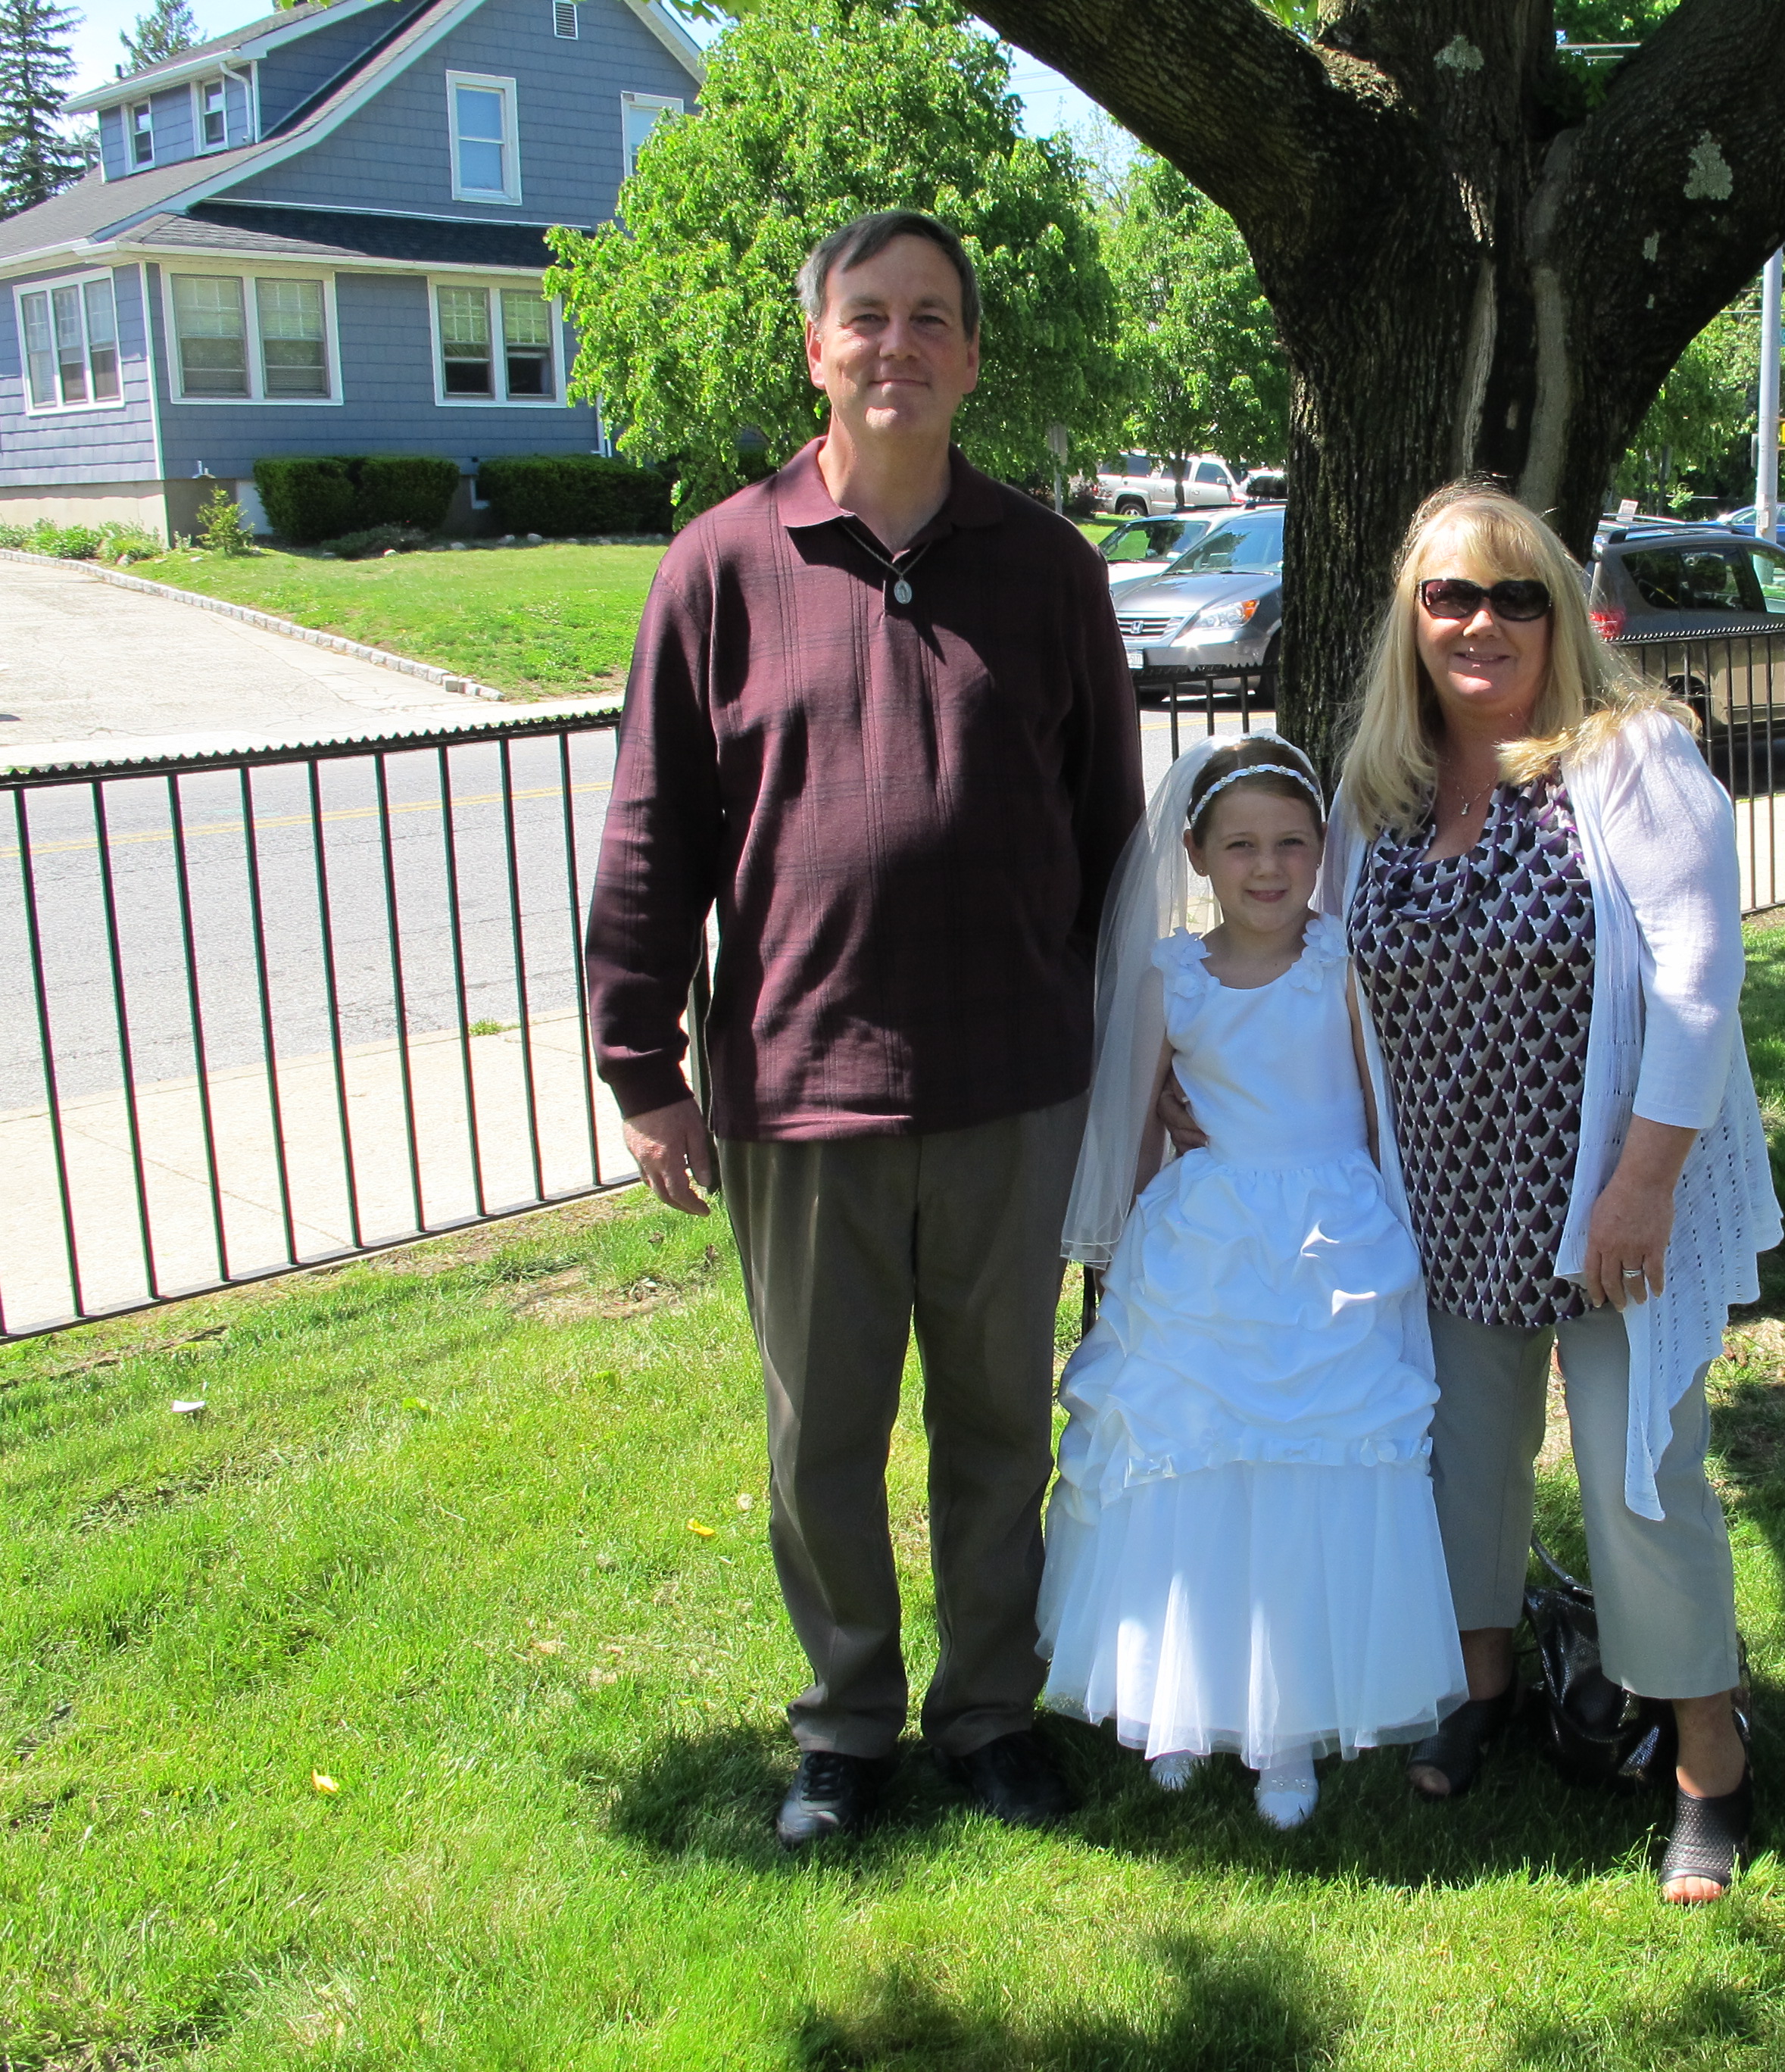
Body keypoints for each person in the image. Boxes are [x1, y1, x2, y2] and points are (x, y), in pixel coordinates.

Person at [584, 210, 1141, 1847]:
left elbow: (1111, 840)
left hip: (1011, 1088)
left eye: (931, 318)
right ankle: (844, 1724)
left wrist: (1134, 1061)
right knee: (821, 1436)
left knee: (1000, 1425)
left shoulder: (1052, 569)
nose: (899, 344)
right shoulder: (719, 566)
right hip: (798, 1085)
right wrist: (642, 1066)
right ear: (818, 347)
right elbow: (651, 835)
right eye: (869, 317)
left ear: (970, 359)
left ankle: (989, 1711)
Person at [1334, 482, 1783, 1904]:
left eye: (1516, 596)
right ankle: (1483, 1690)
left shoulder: (1630, 757)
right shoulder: (1380, 792)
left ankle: (1707, 1756)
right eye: (1451, 597)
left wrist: (1643, 1184)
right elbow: (1326, 982)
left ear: (1562, 616)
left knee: (1639, 1480)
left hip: (1604, 1203)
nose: (1483, 624)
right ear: (1411, 621)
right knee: (1459, 1465)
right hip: (1443, 1207)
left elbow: (1701, 984)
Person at [1040, 734, 1466, 1828]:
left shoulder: (1343, 964)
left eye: (1290, 843)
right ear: (1196, 855)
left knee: (1310, 1466)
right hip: (1207, 1246)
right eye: (1240, 846)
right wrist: (1125, 1253)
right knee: (1193, 1463)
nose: (1267, 867)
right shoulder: (1171, 976)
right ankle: (1183, 1698)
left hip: (1329, 1244)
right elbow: (1136, 1123)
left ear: (1323, 850)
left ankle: (1288, 1727)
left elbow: (1381, 1108)